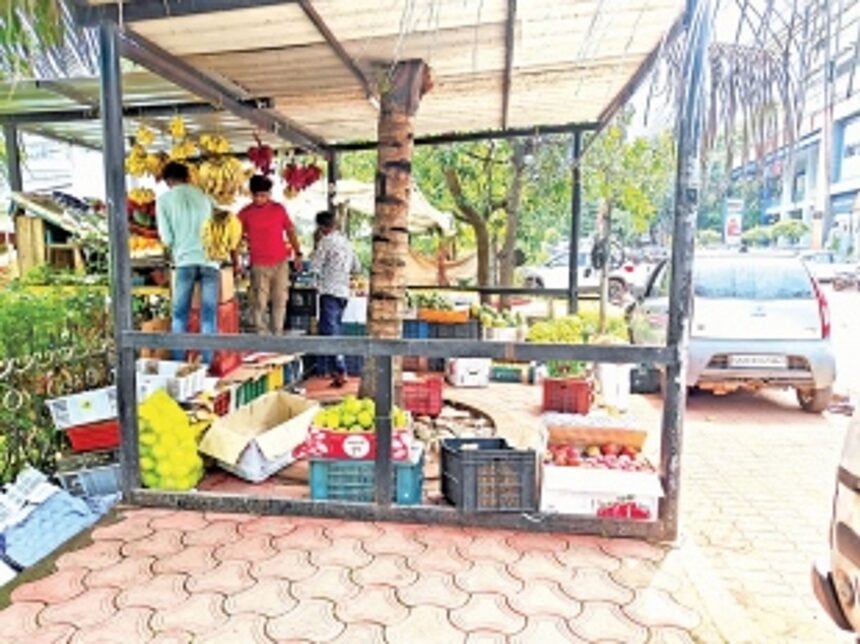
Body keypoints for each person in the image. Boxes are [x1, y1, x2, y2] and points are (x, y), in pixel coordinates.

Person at [156, 161, 217, 363]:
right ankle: (206, 364)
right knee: (208, 316)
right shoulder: (205, 198)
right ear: (187, 177)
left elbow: (167, 238)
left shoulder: (164, 200)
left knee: (180, 315)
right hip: (210, 261)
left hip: (184, 261)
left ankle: (178, 363)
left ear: (167, 181)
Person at [238, 175, 303, 335]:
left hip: (281, 263)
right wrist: (236, 261)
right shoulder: (244, 213)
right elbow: (235, 239)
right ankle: (261, 336)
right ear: (251, 194)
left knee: (280, 300)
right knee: (259, 302)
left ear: (270, 194)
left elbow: (290, 231)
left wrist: (298, 252)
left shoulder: (279, 209)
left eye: (264, 195)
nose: (260, 199)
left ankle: (277, 335)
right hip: (258, 264)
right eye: (257, 196)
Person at [311, 210, 360, 387]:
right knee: (335, 329)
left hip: (329, 292)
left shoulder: (325, 242)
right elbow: (357, 266)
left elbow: (315, 267)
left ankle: (340, 369)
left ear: (322, 227)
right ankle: (336, 371)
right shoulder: (346, 242)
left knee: (330, 332)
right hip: (343, 293)